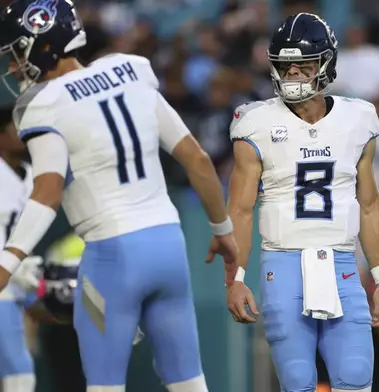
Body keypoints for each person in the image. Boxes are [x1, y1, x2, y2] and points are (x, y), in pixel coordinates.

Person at [0, 1, 239, 391]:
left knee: (105, 385)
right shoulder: (129, 70)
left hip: (111, 258)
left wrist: (7, 264)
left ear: (43, 44)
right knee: (190, 382)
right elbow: (196, 158)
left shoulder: (42, 105)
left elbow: (47, 193)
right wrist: (222, 228)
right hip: (169, 247)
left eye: (17, 53)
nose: (12, 67)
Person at [226, 12, 379, 392]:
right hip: (282, 262)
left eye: (304, 65)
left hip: (342, 261)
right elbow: (239, 208)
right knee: (298, 380)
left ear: (327, 64)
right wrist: (234, 279)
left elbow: (368, 204)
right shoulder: (255, 121)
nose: (294, 74)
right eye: (286, 66)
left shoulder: (358, 117)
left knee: (355, 376)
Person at [0, 107, 44, 391]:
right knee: (20, 373)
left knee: (20, 372)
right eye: (15, 128)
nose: (23, 135)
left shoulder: (35, 176)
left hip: (17, 285)